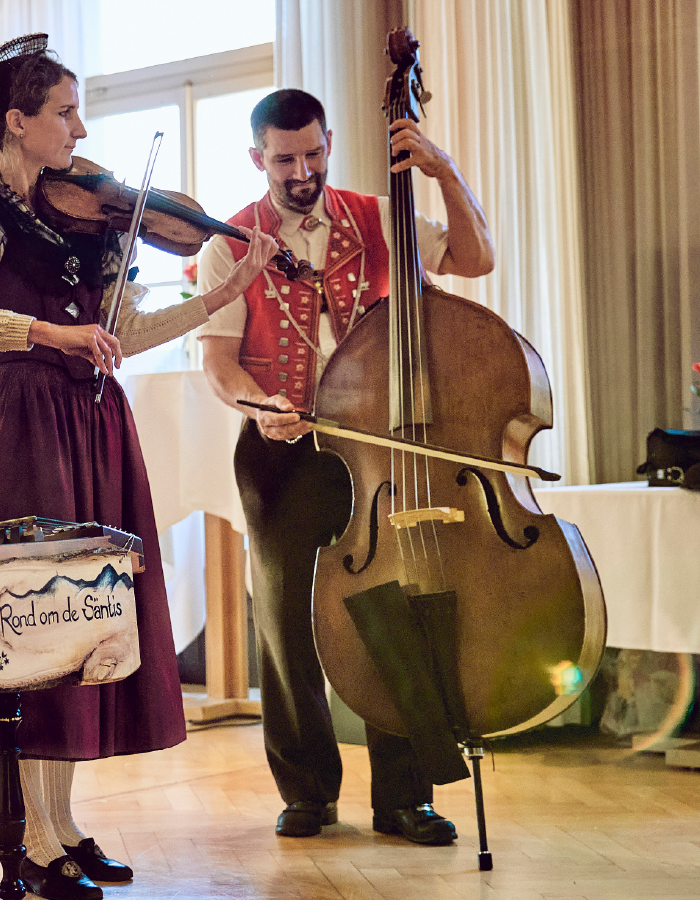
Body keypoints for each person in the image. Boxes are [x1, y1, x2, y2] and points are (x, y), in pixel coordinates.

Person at [0, 34, 276, 900]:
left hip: (94, 419)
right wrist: (46, 334)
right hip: (26, 422)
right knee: (35, 623)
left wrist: (218, 296)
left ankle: (61, 827)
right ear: (17, 121)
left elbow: (122, 334)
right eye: (65, 112)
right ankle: (31, 842)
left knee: (85, 623)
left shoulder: (90, 216)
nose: (81, 127)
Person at [194, 88, 495, 845]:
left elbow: (476, 259)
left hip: (381, 447)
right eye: (285, 158)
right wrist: (258, 405)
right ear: (257, 157)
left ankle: (406, 795)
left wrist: (444, 171)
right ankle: (307, 791)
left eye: (314, 153)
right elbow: (219, 363)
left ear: (330, 141)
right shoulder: (226, 242)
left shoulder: (380, 216)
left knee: (394, 607)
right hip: (280, 449)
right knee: (287, 620)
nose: (302, 171)